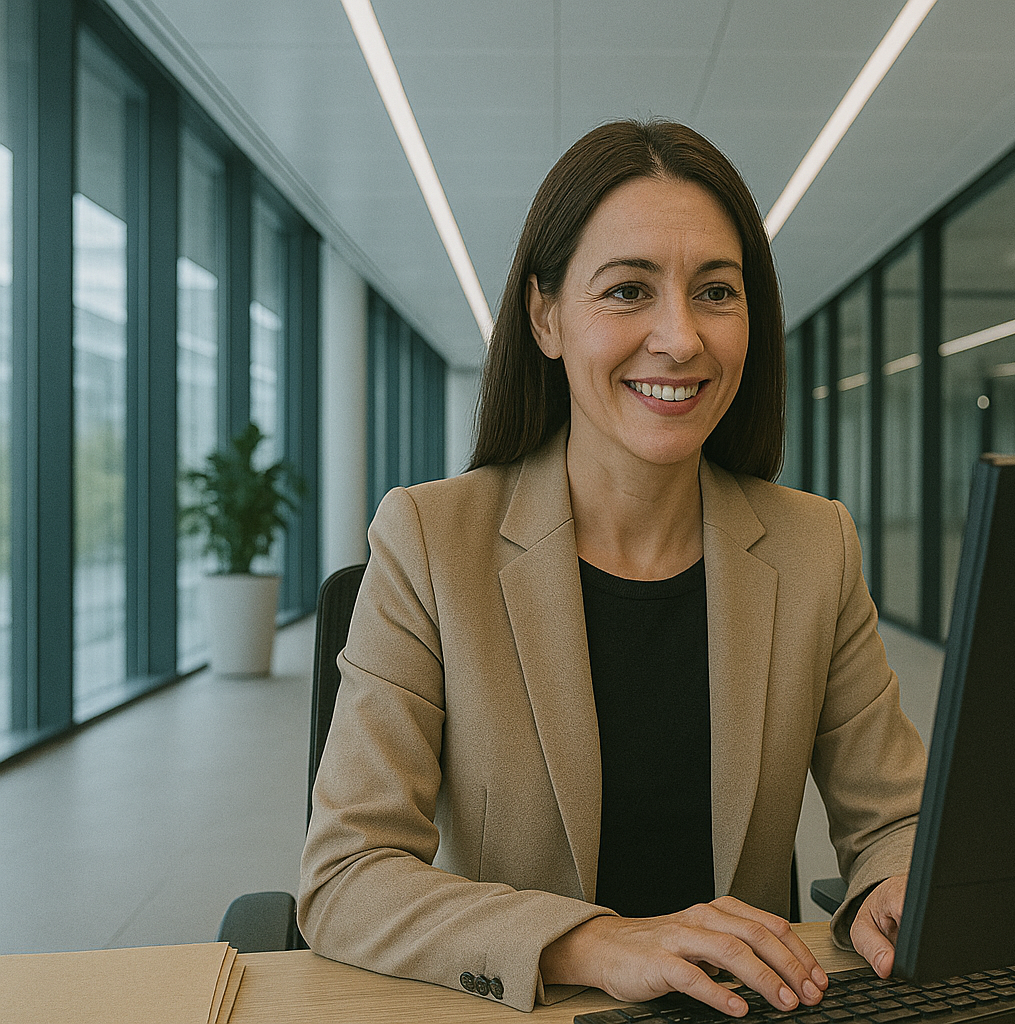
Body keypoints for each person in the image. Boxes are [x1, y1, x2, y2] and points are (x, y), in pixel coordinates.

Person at [297, 120, 927, 1015]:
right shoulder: (432, 541)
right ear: (545, 315)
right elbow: (346, 875)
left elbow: (898, 818)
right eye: (628, 291)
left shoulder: (813, 545)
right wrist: (591, 942)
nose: (680, 339)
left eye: (716, 291)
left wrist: (895, 885)